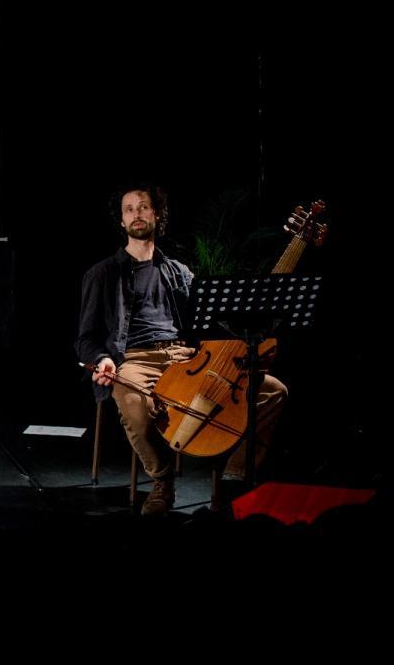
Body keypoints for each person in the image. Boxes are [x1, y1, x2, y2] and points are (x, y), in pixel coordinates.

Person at [75, 183, 286, 515]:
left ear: (157, 214)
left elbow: (208, 328)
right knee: (133, 404)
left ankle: (234, 475)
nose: (136, 214)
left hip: (186, 358)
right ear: (121, 221)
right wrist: (102, 359)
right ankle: (162, 481)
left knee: (273, 392)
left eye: (143, 207)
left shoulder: (180, 272)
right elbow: (85, 338)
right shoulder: (102, 274)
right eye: (129, 209)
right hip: (135, 359)